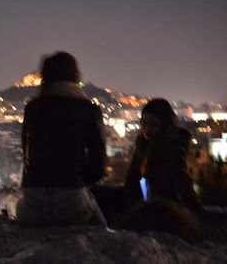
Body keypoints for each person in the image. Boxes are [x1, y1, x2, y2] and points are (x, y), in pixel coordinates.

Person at [16, 52, 107, 226]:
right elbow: (99, 167)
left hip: (32, 205)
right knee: (103, 230)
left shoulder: (33, 109)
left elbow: (26, 154)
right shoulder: (89, 110)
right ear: (75, 75)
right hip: (73, 202)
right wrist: (76, 180)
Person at [124, 98, 203, 214]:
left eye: (154, 125)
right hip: (147, 205)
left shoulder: (170, 145)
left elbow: (180, 178)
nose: (147, 129)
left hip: (167, 208)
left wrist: (196, 208)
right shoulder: (143, 143)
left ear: (165, 126)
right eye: (144, 123)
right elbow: (132, 176)